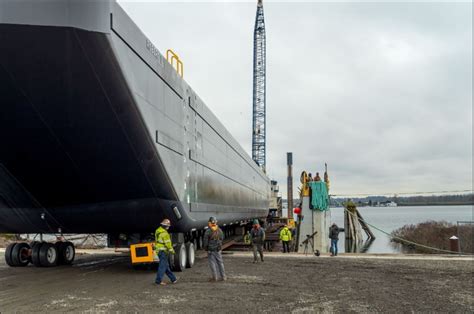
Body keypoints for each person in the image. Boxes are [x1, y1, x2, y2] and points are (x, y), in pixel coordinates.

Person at [155, 218, 177, 286]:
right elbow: (168, 244)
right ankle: (158, 281)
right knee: (162, 267)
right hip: (163, 251)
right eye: (168, 226)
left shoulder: (157, 230)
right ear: (166, 226)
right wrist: (172, 251)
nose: (168, 227)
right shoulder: (165, 234)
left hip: (158, 250)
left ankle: (173, 279)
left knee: (166, 266)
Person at [203, 216, 226, 281]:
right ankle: (223, 277)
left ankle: (215, 277)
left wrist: (206, 248)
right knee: (220, 263)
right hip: (218, 249)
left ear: (210, 223)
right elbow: (222, 238)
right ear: (216, 222)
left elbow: (205, 241)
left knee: (212, 263)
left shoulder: (208, 231)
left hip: (211, 250)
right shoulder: (220, 230)